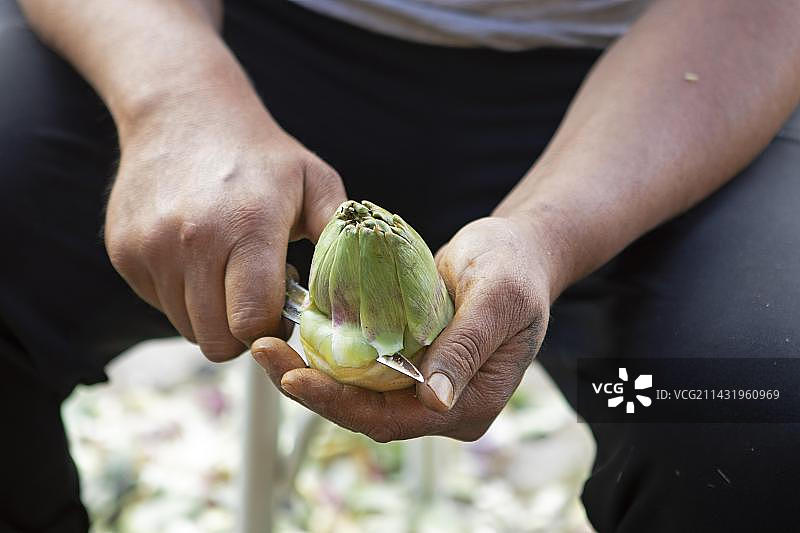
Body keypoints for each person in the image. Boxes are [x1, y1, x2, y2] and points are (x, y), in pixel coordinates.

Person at [2, 0, 799, 531]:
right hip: (238, 35)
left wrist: (548, 233)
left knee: (759, 409)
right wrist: (171, 100)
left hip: (662, 89)